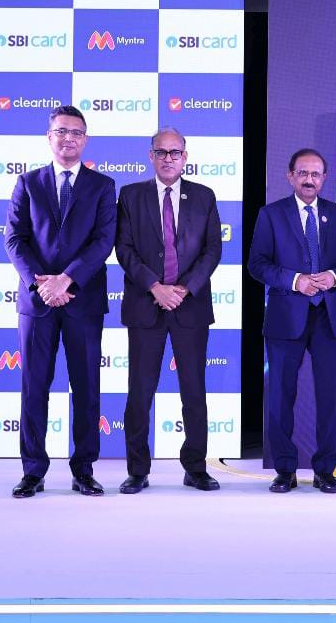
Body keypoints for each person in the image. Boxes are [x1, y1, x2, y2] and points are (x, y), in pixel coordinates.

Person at [5, 105, 116, 498]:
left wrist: (67, 279)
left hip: (82, 300)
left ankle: (84, 470)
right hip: (37, 303)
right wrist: (43, 284)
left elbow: (103, 240)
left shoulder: (103, 186)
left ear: (85, 139)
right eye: (61, 131)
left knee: (86, 387)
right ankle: (32, 471)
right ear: (49, 137)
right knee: (34, 386)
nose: (68, 138)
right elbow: (14, 239)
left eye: (76, 132)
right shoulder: (27, 182)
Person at [248, 149, 336, 493]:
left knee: (328, 398)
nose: (309, 179)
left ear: (324, 178)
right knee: (281, 397)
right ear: (290, 176)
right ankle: (284, 470)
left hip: (329, 317)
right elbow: (257, 264)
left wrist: (334, 276)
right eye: (302, 173)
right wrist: (294, 280)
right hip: (286, 317)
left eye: (315, 174)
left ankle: (325, 470)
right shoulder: (271, 215)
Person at [115, 128, 222, 494]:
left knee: (193, 391)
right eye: (161, 152)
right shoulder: (131, 196)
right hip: (146, 305)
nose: (168, 158)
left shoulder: (204, 196)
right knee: (139, 393)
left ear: (185, 157)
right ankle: (137, 471)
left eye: (175, 152)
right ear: (151, 156)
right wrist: (155, 286)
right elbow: (124, 249)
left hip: (190, 306)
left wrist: (184, 288)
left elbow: (212, 249)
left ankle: (195, 468)